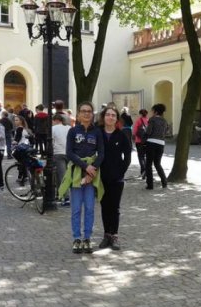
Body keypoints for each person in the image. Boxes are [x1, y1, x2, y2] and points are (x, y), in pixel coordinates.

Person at [59, 101, 104, 254]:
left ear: (92, 114)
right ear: (78, 114)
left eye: (89, 111)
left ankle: (87, 238)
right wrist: (86, 167)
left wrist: (93, 169)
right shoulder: (73, 131)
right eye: (83, 111)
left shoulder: (97, 132)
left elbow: (101, 153)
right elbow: (69, 153)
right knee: (76, 209)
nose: (86, 113)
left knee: (90, 208)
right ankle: (77, 238)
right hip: (76, 174)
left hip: (92, 175)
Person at [97, 106, 131, 250]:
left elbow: (127, 156)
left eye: (113, 115)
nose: (110, 117)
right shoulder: (98, 133)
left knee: (115, 207)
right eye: (108, 115)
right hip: (101, 177)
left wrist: (121, 172)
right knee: (104, 206)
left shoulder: (121, 135)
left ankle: (114, 236)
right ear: (103, 117)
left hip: (117, 178)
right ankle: (107, 235)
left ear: (117, 119)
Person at [144, 103, 169, 190]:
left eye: (153, 111)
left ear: (156, 112)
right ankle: (164, 182)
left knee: (148, 164)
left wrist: (144, 137)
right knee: (157, 164)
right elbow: (166, 132)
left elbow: (148, 131)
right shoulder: (165, 121)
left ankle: (150, 185)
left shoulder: (152, 119)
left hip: (151, 143)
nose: (152, 112)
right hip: (161, 143)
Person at [52, 113, 71, 206]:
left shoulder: (53, 128)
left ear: (55, 120)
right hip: (69, 153)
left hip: (58, 153)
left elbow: (51, 142)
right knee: (66, 175)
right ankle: (60, 194)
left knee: (61, 176)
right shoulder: (69, 128)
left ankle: (66, 198)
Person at [132, 108, 149, 178]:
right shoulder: (149, 120)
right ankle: (146, 171)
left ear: (140, 114)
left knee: (140, 156)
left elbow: (135, 130)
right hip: (147, 141)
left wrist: (133, 137)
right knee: (146, 156)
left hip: (139, 141)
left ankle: (143, 170)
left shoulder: (138, 120)